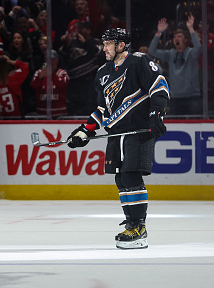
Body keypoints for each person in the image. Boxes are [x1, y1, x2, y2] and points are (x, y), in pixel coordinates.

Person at [66, 28, 169, 250]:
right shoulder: (102, 71)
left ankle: (139, 228)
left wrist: (157, 112)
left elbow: (159, 86)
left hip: (138, 131)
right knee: (121, 179)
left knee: (131, 177)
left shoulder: (139, 62)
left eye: (108, 44)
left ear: (121, 45)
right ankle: (131, 224)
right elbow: (102, 108)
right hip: (116, 134)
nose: (104, 48)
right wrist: (86, 130)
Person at [148, 14, 202, 115]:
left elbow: (199, 48)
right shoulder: (170, 54)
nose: (176, 38)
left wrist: (190, 28)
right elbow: (151, 50)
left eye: (179, 36)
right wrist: (159, 32)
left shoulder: (191, 53)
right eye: (175, 37)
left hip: (192, 97)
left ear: (186, 40)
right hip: (175, 98)